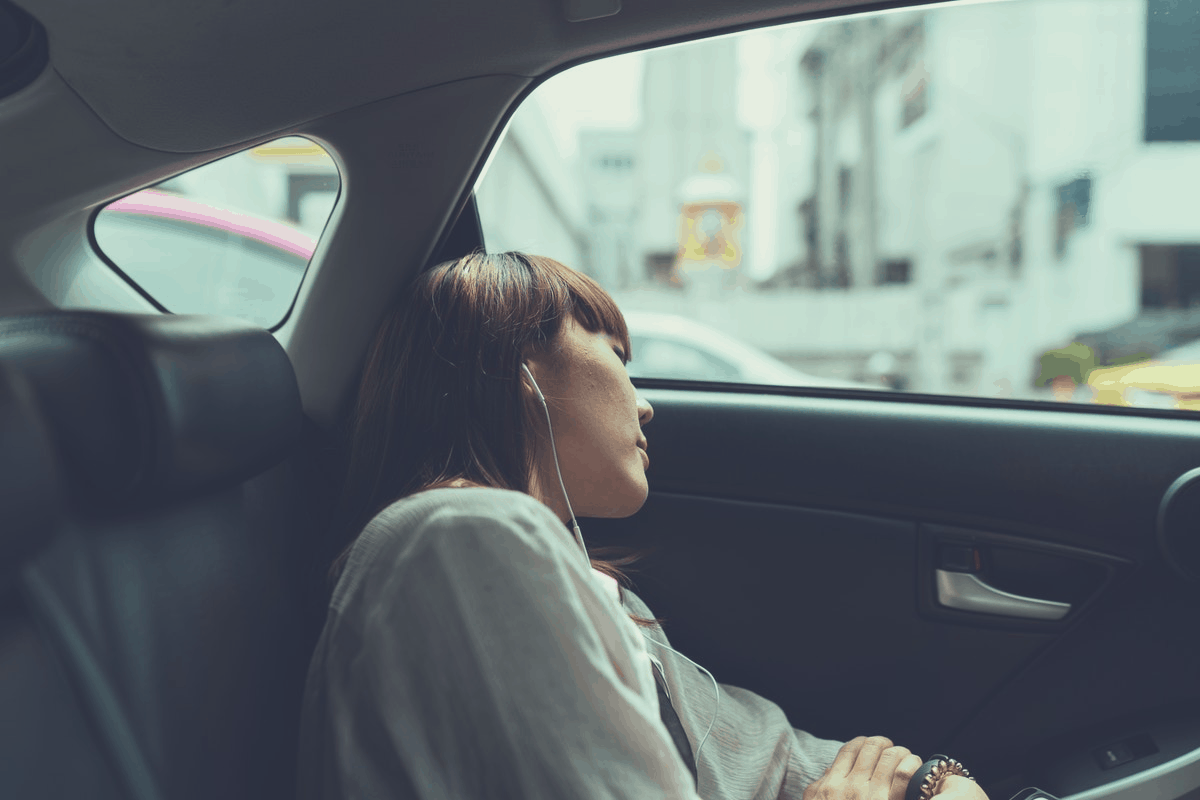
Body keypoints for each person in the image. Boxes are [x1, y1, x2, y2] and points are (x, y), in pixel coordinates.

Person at [296, 251, 988, 800]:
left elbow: (768, 754)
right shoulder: (457, 539)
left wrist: (931, 780)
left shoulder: (598, 591)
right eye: (620, 360)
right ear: (514, 369)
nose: (647, 405)